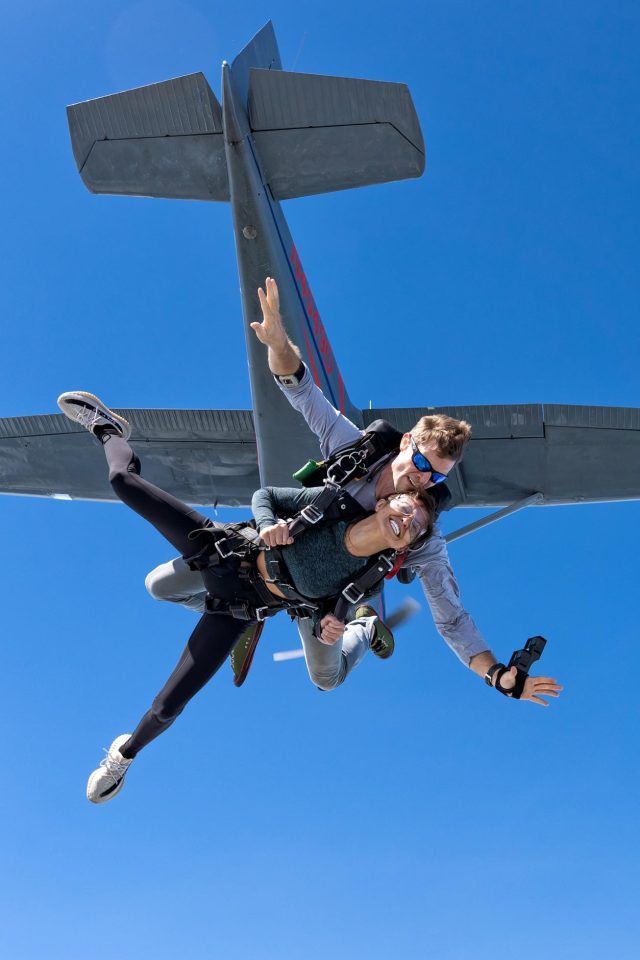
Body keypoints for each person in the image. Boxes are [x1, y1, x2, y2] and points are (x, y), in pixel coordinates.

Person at [146, 278, 563, 709]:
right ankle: (250, 607)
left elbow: (451, 618)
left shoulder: (423, 539)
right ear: (406, 443)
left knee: (326, 677)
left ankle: (363, 627)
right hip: (272, 554)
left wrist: (495, 674)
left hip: (324, 604)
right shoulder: (353, 452)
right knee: (160, 587)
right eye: (422, 465)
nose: (423, 481)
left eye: (436, 479)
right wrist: (276, 341)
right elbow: (301, 389)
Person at [57, 390, 433, 804]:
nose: (406, 518)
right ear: (385, 502)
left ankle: (123, 756)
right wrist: (271, 523)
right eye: (405, 507)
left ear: (408, 545)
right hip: (224, 553)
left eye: (415, 526)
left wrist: (334, 624)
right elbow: (267, 496)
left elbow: (336, 606)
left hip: (247, 606)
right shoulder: (334, 505)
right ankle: (110, 430)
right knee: (124, 488)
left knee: (173, 705)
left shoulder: (371, 576)